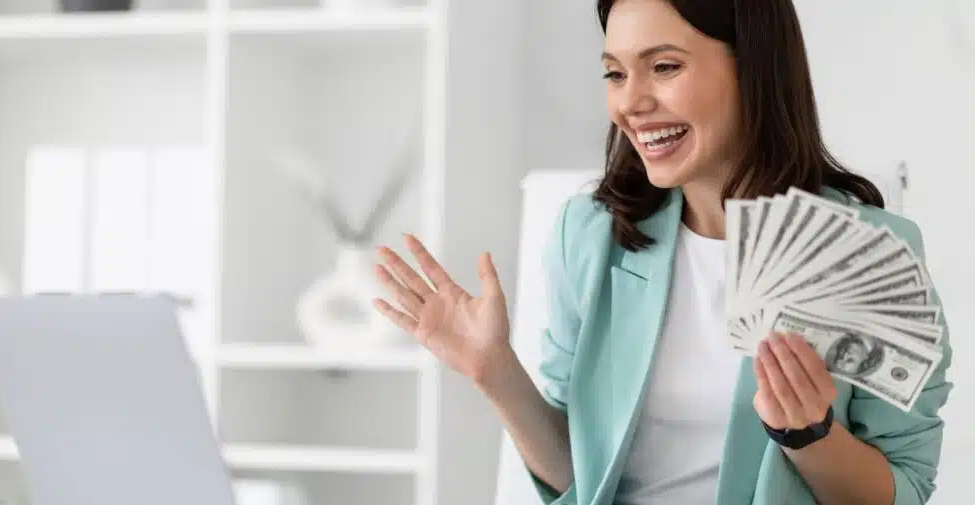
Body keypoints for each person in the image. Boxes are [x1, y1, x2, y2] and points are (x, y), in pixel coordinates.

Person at [371, 0, 953, 504]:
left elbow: (901, 490)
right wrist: (492, 369)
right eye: (615, 74)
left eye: (664, 67)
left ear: (754, 67)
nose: (631, 103)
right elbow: (583, 477)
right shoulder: (590, 235)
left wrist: (811, 436)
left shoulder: (867, 251)